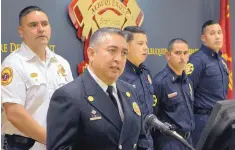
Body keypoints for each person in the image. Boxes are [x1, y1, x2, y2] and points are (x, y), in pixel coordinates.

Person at [46, 27, 150, 150]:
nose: (118, 59)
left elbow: (141, 139)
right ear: (91, 54)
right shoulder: (69, 96)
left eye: (124, 53)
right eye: (112, 50)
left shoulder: (129, 91)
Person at [1, 6, 73, 150]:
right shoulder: (13, 64)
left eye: (44, 24)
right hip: (24, 145)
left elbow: (71, 104)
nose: (41, 29)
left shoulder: (62, 63)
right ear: (21, 32)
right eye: (33, 25)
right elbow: (14, 113)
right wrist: (53, 140)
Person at [186, 20, 229, 147]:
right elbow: (187, 91)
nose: (217, 36)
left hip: (220, 119)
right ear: (203, 38)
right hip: (202, 120)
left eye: (219, 33)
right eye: (212, 33)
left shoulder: (221, 61)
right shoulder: (197, 60)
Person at [152, 38, 195, 150]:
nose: (182, 57)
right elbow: (152, 117)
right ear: (168, 55)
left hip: (188, 139)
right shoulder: (160, 82)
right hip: (169, 141)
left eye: (185, 53)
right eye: (178, 53)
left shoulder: (188, 81)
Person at [119, 26, 157, 149]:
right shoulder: (119, 74)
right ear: (127, 46)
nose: (145, 47)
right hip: (129, 141)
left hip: (147, 139)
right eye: (140, 43)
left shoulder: (146, 73)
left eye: (146, 43)